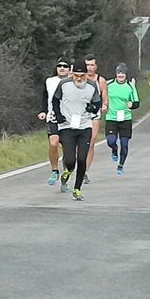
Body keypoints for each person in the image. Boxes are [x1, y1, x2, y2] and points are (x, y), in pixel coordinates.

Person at [52, 59, 101, 201]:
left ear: (86, 74)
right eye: (76, 76)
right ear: (72, 74)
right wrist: (59, 116)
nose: (79, 79)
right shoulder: (64, 84)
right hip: (67, 126)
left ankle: (77, 189)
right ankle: (67, 171)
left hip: (84, 126)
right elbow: (55, 100)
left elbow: (96, 103)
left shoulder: (92, 85)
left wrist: (93, 108)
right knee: (71, 160)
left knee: (82, 158)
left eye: (82, 76)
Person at [38, 57, 71, 185]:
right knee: (53, 143)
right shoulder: (49, 81)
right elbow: (45, 97)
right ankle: (54, 170)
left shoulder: (74, 81)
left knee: (68, 149)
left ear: (69, 69)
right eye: (59, 66)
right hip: (53, 117)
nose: (62, 68)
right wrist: (43, 111)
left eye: (65, 66)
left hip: (68, 119)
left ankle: (65, 176)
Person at [105, 63, 139, 175]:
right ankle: (114, 150)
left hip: (125, 118)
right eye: (119, 73)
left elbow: (136, 103)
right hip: (111, 117)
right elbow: (101, 96)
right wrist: (104, 104)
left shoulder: (130, 86)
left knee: (124, 144)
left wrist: (131, 105)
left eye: (122, 73)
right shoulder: (108, 84)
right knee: (111, 141)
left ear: (126, 75)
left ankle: (120, 165)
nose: (120, 75)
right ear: (116, 74)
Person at [83, 54, 108, 184]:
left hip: (94, 114)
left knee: (91, 143)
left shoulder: (100, 80)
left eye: (92, 65)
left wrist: (104, 106)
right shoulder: (79, 78)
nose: (90, 67)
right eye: (87, 65)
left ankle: (84, 171)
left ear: (96, 66)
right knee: (78, 144)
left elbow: (105, 98)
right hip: (80, 114)